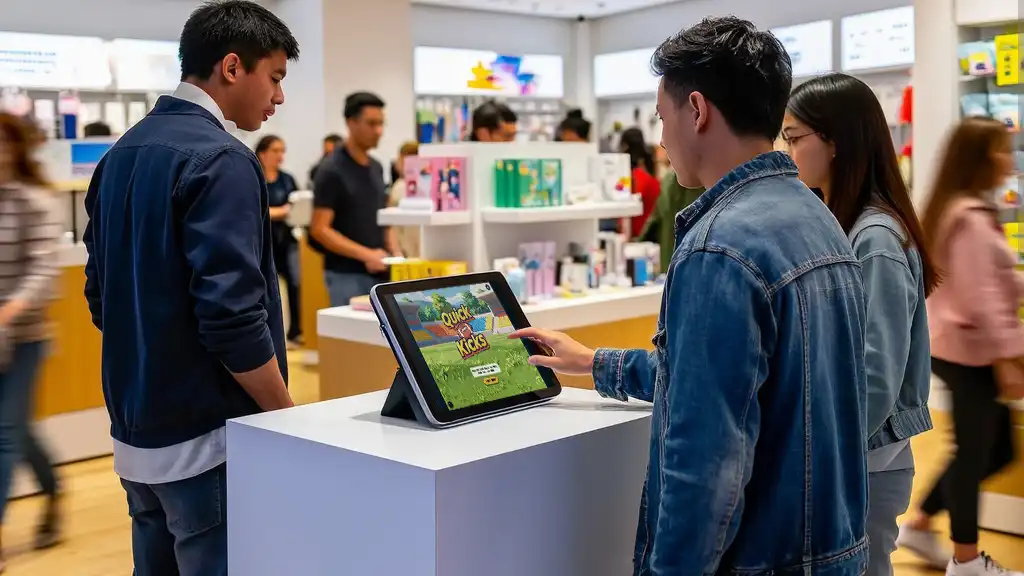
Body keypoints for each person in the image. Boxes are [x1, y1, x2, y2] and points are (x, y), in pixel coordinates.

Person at [509, 16, 869, 575]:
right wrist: (595, 362)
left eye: (662, 117)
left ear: (696, 111)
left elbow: (705, 470)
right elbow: (736, 381)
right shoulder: (818, 220)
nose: (660, 139)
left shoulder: (719, 247)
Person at [83, 2, 297, 573]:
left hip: (136, 425)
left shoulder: (119, 155)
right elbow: (233, 317)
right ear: (232, 67)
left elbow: (101, 298)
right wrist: (286, 415)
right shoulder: (223, 159)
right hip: (208, 435)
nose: (279, 98)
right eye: (275, 78)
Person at [783, 72, 939, 576]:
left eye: (794, 137)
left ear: (835, 141)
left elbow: (876, 374)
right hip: (858, 457)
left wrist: (821, 452)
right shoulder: (844, 225)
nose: (788, 152)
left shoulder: (875, 239)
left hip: (866, 462)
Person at [897, 117, 1024, 576]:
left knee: (994, 447)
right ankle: (966, 560)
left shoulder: (961, 210)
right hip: (971, 350)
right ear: (981, 158)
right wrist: (1007, 356)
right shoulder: (968, 219)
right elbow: (981, 297)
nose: (1009, 159)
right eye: (1002, 149)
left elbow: (988, 284)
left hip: (963, 346)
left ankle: (920, 523)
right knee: (974, 452)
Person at [0, 113, 63, 571]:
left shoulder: (36, 200)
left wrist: (9, 311)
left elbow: (43, 271)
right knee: (18, 430)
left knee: (5, 432)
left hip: (24, 338)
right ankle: (55, 490)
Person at [311, 92, 401, 307]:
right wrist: (366, 255)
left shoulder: (377, 167)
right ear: (351, 123)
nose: (378, 131)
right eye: (371, 123)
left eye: (381, 123)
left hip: (380, 272)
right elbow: (320, 229)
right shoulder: (332, 170)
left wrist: (396, 253)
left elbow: (383, 219)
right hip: (346, 275)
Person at [255, 135, 302, 346]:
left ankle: (295, 331)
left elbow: (297, 206)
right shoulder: (254, 176)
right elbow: (254, 209)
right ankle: (267, 332)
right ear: (263, 153)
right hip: (264, 240)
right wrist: (278, 211)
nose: (280, 155)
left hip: (287, 239)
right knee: (266, 285)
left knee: (295, 282)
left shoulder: (287, 179)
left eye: (282, 151)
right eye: (275, 150)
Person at [640, 168, 703, 272]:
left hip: (670, 265)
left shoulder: (668, 181)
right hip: (695, 267)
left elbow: (653, 224)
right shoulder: (708, 182)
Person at [619, 127, 659, 237]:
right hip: (650, 227)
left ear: (625, 145)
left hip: (636, 231)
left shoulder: (630, 174)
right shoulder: (650, 165)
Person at [387, 141, 422, 258]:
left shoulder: (400, 187)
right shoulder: (425, 187)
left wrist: (396, 252)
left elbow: (391, 224)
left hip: (406, 250)